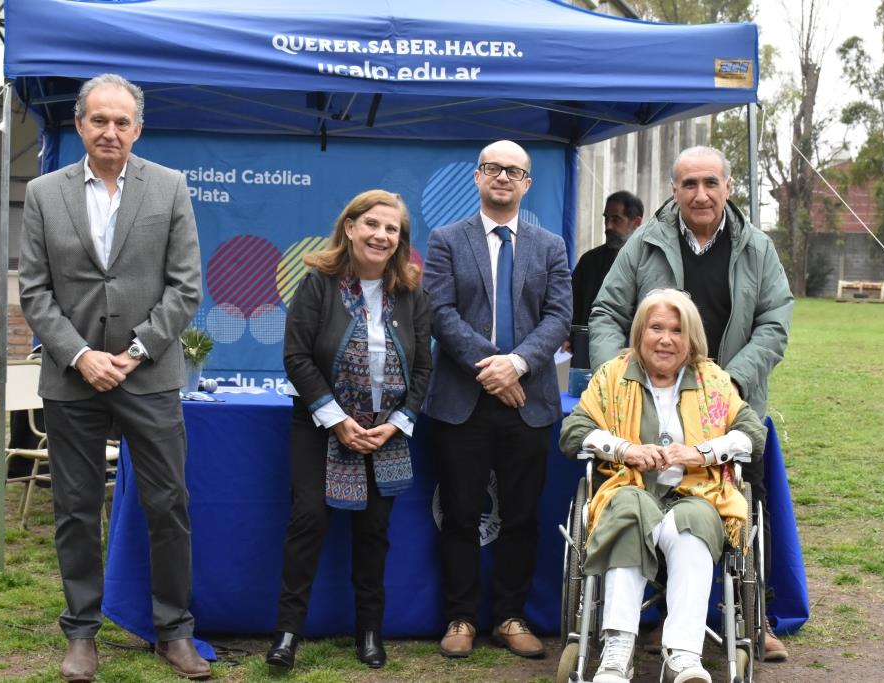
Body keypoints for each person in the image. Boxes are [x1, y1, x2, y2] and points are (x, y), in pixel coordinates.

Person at [18, 74, 208, 680]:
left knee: (168, 506)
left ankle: (173, 631)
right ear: (79, 125)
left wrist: (133, 352)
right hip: (73, 380)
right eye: (99, 120)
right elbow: (35, 291)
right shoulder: (45, 193)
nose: (110, 131)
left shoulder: (170, 187)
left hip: (147, 377)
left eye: (122, 121)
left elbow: (185, 288)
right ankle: (81, 634)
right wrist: (80, 355)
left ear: (138, 128)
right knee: (75, 508)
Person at [589, 145, 793, 660]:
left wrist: (729, 383)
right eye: (688, 185)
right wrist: (624, 381)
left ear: (728, 187)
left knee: (750, 505)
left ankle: (754, 617)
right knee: (647, 504)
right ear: (674, 191)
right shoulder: (643, 245)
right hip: (648, 406)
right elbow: (607, 313)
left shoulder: (758, 249)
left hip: (728, 405)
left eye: (710, 183)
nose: (700, 194)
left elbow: (774, 322)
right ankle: (656, 621)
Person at [560, 289, 766, 683]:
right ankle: (617, 652)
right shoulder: (614, 376)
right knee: (629, 512)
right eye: (656, 327)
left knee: (697, 524)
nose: (666, 339)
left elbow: (752, 435)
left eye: (677, 330)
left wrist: (700, 453)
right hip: (630, 489)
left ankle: (684, 656)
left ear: (691, 341)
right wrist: (626, 450)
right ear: (640, 332)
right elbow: (574, 433)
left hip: (694, 493)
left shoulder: (712, 381)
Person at [266, 190, 432, 672]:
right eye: (373, 225)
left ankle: (369, 632)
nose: (381, 235)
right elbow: (296, 355)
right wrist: (337, 419)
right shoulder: (319, 283)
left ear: (400, 240)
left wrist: (396, 424)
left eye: (392, 229)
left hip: (387, 434)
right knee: (309, 521)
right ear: (351, 227)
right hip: (320, 426)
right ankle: (287, 633)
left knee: (374, 530)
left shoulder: (411, 292)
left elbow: (423, 368)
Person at [423, 140, 571, 659]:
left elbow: (558, 317)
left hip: (527, 402)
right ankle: (460, 617)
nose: (503, 177)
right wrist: (494, 367)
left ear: (527, 183)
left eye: (514, 171)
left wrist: (519, 365)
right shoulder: (445, 239)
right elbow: (440, 313)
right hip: (462, 399)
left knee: (522, 515)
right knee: (460, 514)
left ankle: (510, 616)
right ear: (478, 177)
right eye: (493, 169)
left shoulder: (550, 245)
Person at [571, 190, 644, 327]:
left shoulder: (649, 263)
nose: (608, 226)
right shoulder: (589, 261)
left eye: (616, 219)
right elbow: (572, 307)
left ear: (636, 222)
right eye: (606, 219)